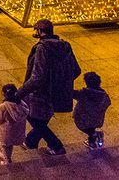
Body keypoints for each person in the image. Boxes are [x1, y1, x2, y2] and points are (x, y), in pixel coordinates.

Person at [17, 18, 81, 155]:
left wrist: (20, 93)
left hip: (41, 92)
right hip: (58, 92)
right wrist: (60, 82)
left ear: (39, 31)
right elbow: (76, 70)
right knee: (43, 117)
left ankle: (56, 145)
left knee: (30, 114)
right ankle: (31, 141)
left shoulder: (42, 48)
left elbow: (37, 77)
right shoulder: (65, 46)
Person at [0, 84, 29, 165]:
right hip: (18, 132)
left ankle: (7, 161)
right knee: (10, 144)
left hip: (7, 133)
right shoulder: (22, 103)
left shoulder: (4, 106)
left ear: (4, 94)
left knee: (5, 146)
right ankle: (7, 158)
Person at [73, 71, 110, 150]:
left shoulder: (84, 93)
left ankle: (94, 135)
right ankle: (92, 142)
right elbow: (107, 103)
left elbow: (73, 94)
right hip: (97, 118)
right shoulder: (103, 95)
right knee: (92, 127)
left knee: (85, 127)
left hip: (83, 117)